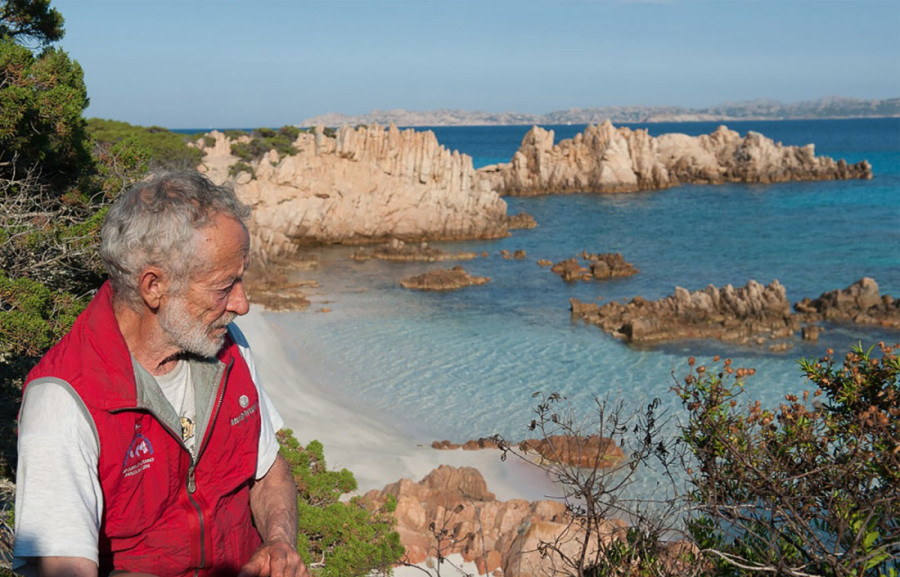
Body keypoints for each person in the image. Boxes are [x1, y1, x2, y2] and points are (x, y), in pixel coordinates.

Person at [12, 172, 310, 577]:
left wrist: (279, 542)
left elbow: (268, 471)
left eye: (241, 279)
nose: (242, 304)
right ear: (154, 286)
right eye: (224, 286)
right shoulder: (63, 403)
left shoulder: (227, 347)